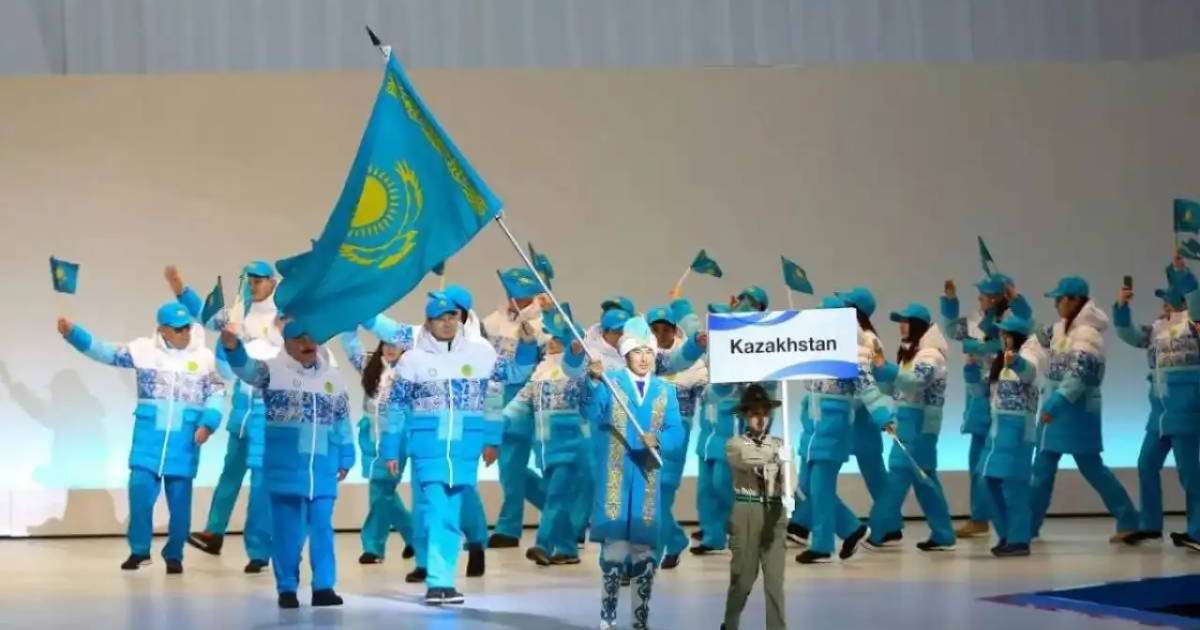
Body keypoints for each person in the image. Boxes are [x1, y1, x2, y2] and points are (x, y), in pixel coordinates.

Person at [382, 290, 537, 605]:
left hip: (464, 449)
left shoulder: (480, 354)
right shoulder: (412, 359)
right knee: (439, 511)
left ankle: (441, 581)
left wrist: (528, 345)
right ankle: (439, 581)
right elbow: (395, 407)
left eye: (452, 316)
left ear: (461, 318)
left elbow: (513, 375)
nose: (447, 322)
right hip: (429, 446)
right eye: (439, 317)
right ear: (428, 321)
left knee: (450, 513)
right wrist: (389, 448)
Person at [57, 303, 225, 574]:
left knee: (181, 508)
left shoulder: (204, 358)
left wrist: (209, 424)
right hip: (148, 441)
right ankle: (139, 551)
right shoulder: (143, 351)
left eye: (188, 328)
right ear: (162, 329)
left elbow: (217, 392)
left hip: (184, 442)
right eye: (178, 329)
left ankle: (175, 554)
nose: (185, 333)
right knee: (139, 497)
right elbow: (104, 351)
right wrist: (73, 333)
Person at [223, 320, 354, 608]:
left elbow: (343, 419)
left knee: (322, 528)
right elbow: (245, 368)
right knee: (286, 531)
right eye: (299, 338)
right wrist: (233, 348)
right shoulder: (272, 371)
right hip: (285, 467)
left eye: (312, 337)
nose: (308, 343)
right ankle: (287, 587)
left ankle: (323, 587)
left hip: (322, 465)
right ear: (287, 343)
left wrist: (347, 453)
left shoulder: (333, 376)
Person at [172, 262, 282, 561]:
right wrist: (181, 289)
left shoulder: (282, 316)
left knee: (260, 482)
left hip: (267, 411)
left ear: (272, 282)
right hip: (241, 411)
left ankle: (259, 550)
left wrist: (246, 343)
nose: (252, 285)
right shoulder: (239, 312)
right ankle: (214, 533)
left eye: (258, 280)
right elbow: (208, 316)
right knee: (230, 474)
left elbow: (277, 353)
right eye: (248, 280)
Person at [582, 316, 686, 630]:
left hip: (646, 477)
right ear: (626, 355)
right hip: (615, 476)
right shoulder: (611, 381)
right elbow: (591, 412)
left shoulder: (664, 391)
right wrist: (593, 383)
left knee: (644, 552)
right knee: (613, 550)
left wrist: (660, 440)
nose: (644, 358)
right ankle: (608, 618)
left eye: (648, 352)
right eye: (637, 352)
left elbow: (676, 432)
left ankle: (640, 620)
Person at [1030, 276, 1139, 541]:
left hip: (1076, 412)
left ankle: (1129, 519)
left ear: (1075, 300)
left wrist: (1053, 405)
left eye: (1060, 299)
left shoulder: (1088, 334)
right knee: (1042, 469)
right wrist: (1016, 303)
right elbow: (1035, 331)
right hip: (1057, 410)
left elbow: (1078, 377)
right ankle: (1027, 526)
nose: (1056, 304)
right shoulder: (1060, 329)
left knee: (1091, 467)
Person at [796, 295, 892, 564]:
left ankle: (824, 545)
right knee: (815, 489)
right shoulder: (818, 347)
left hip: (834, 425)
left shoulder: (855, 349)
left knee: (819, 487)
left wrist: (885, 417)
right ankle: (850, 530)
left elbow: (868, 387)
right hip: (817, 427)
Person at [1114, 257, 1200, 551]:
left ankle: (1198, 530)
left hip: (1186, 407)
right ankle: (1150, 524)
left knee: (1189, 472)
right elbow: (1130, 335)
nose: (1163, 305)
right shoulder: (1156, 329)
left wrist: (1185, 277)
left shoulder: (1194, 324)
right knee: (1146, 463)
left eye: (1167, 299)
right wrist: (1122, 309)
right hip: (1159, 411)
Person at [941, 274, 1032, 538]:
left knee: (998, 462)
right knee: (977, 458)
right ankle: (981, 517)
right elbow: (951, 330)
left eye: (983, 295)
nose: (979, 299)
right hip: (978, 394)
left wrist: (976, 346)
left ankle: (1008, 522)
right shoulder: (975, 319)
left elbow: (1017, 333)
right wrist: (950, 303)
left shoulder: (1012, 322)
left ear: (995, 298)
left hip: (1004, 394)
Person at [863, 303, 956, 551]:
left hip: (918, 426)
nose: (901, 326)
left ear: (917, 326)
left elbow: (915, 381)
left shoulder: (931, 356)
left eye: (905, 321)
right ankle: (944, 534)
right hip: (913, 424)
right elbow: (899, 387)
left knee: (897, 477)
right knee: (925, 481)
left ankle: (877, 531)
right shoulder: (914, 353)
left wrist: (886, 369)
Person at [694, 288, 779, 556]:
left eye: (750, 302)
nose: (743, 303)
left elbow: (762, 389)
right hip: (708, 430)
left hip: (730, 426)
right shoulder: (717, 345)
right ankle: (713, 536)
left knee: (724, 484)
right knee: (706, 489)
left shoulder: (756, 344)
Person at [503, 309, 588, 565]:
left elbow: (575, 363)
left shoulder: (576, 368)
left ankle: (542, 544)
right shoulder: (541, 371)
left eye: (559, 338)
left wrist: (574, 350)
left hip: (572, 447)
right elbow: (520, 403)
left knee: (555, 496)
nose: (552, 342)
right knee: (555, 497)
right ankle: (568, 549)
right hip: (546, 449)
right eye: (551, 337)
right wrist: (495, 425)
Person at [485, 268, 551, 549]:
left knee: (549, 463)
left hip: (538, 398)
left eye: (523, 295)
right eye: (512, 293)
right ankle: (510, 527)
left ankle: (564, 516)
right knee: (510, 468)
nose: (516, 299)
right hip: (502, 395)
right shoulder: (492, 322)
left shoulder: (547, 322)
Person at [969, 314, 1045, 557]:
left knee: (1015, 486)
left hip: (1019, 430)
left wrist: (1016, 363)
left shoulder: (1029, 354)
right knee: (987, 480)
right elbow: (984, 392)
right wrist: (971, 372)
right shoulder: (1000, 361)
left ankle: (1020, 539)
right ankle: (1006, 533)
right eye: (1002, 334)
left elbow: (1030, 373)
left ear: (1017, 337)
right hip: (997, 430)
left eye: (1006, 334)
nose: (1002, 338)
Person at [339, 328, 414, 564]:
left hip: (397, 439)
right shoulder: (371, 367)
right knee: (383, 491)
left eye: (396, 344)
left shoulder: (411, 371)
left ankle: (373, 546)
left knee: (381, 489)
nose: (391, 348)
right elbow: (351, 346)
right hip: (370, 438)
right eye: (386, 343)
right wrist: (350, 321)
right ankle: (414, 536)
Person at [721, 384, 789, 630]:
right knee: (743, 578)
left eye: (763, 412)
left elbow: (791, 480)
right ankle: (730, 624)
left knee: (774, 581)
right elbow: (748, 463)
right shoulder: (735, 444)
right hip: (747, 510)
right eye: (754, 413)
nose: (760, 418)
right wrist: (776, 461)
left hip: (774, 510)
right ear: (746, 416)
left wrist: (787, 464)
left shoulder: (782, 444)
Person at [647, 302, 709, 569]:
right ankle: (674, 540)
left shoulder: (691, 362)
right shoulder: (641, 358)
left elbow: (708, 394)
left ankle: (649, 559)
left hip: (675, 436)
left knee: (660, 496)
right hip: (644, 435)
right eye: (654, 329)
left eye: (665, 329)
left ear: (675, 330)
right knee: (647, 499)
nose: (660, 335)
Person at [835, 287, 889, 509]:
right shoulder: (862, 337)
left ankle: (890, 525)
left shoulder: (867, 340)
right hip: (858, 415)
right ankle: (890, 525)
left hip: (863, 416)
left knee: (874, 472)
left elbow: (870, 380)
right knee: (872, 472)